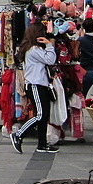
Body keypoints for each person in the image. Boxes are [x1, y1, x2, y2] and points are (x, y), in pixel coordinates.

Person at [10, 23, 59, 154]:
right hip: (35, 85)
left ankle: (42, 144)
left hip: (39, 84)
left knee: (44, 115)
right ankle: (19, 134)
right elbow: (50, 59)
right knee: (41, 114)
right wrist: (49, 45)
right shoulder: (34, 50)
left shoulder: (32, 49)